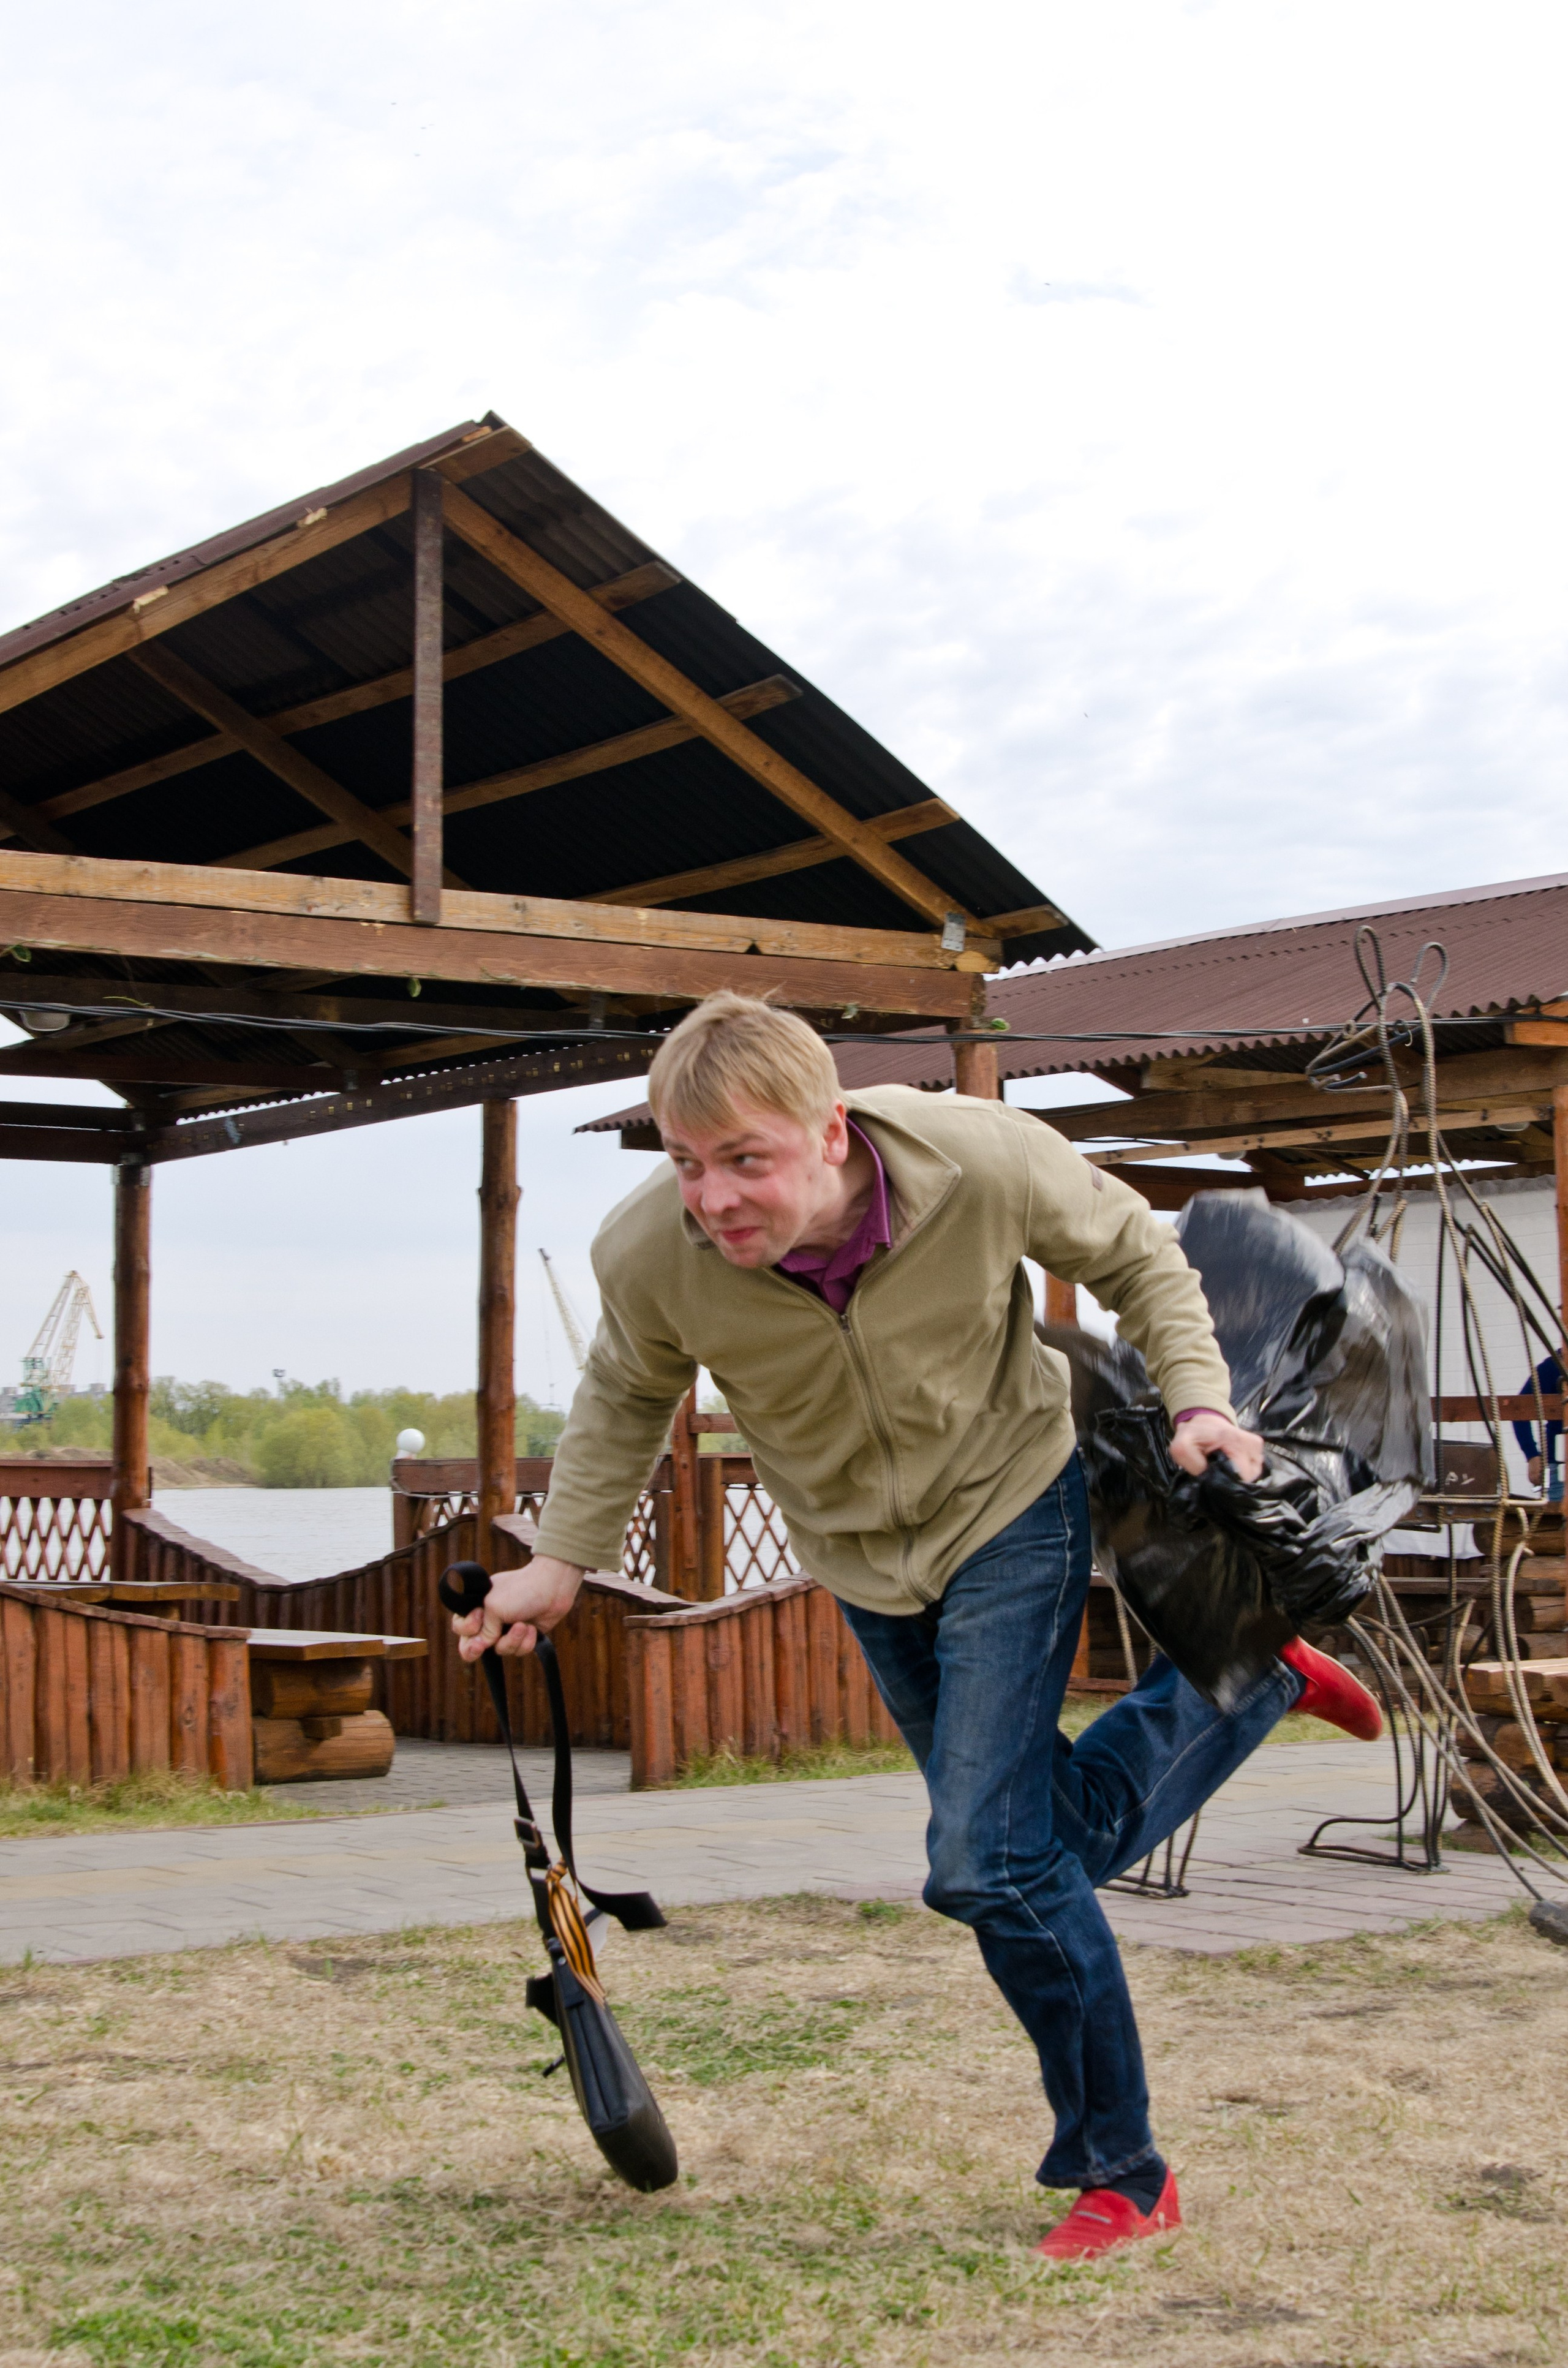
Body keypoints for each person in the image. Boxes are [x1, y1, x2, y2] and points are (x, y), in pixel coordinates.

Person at [454, 994, 1382, 2258]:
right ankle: (1247, 1682)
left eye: (744, 1159)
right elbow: (623, 1391)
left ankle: (1122, 2169)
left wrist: (1196, 1401)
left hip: (1011, 1503)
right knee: (1032, 1849)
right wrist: (560, 1562)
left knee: (986, 1865)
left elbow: (1133, 1253)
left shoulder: (977, 1161)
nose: (711, 1196)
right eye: (686, 1163)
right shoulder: (651, 1256)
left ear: (828, 1130)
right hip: (859, 1556)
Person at [1512, 1351, 1564, 1503]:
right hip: (1559, 1465)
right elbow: (1518, 1410)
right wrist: (1532, 1455)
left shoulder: (1551, 1367)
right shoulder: (1551, 1368)